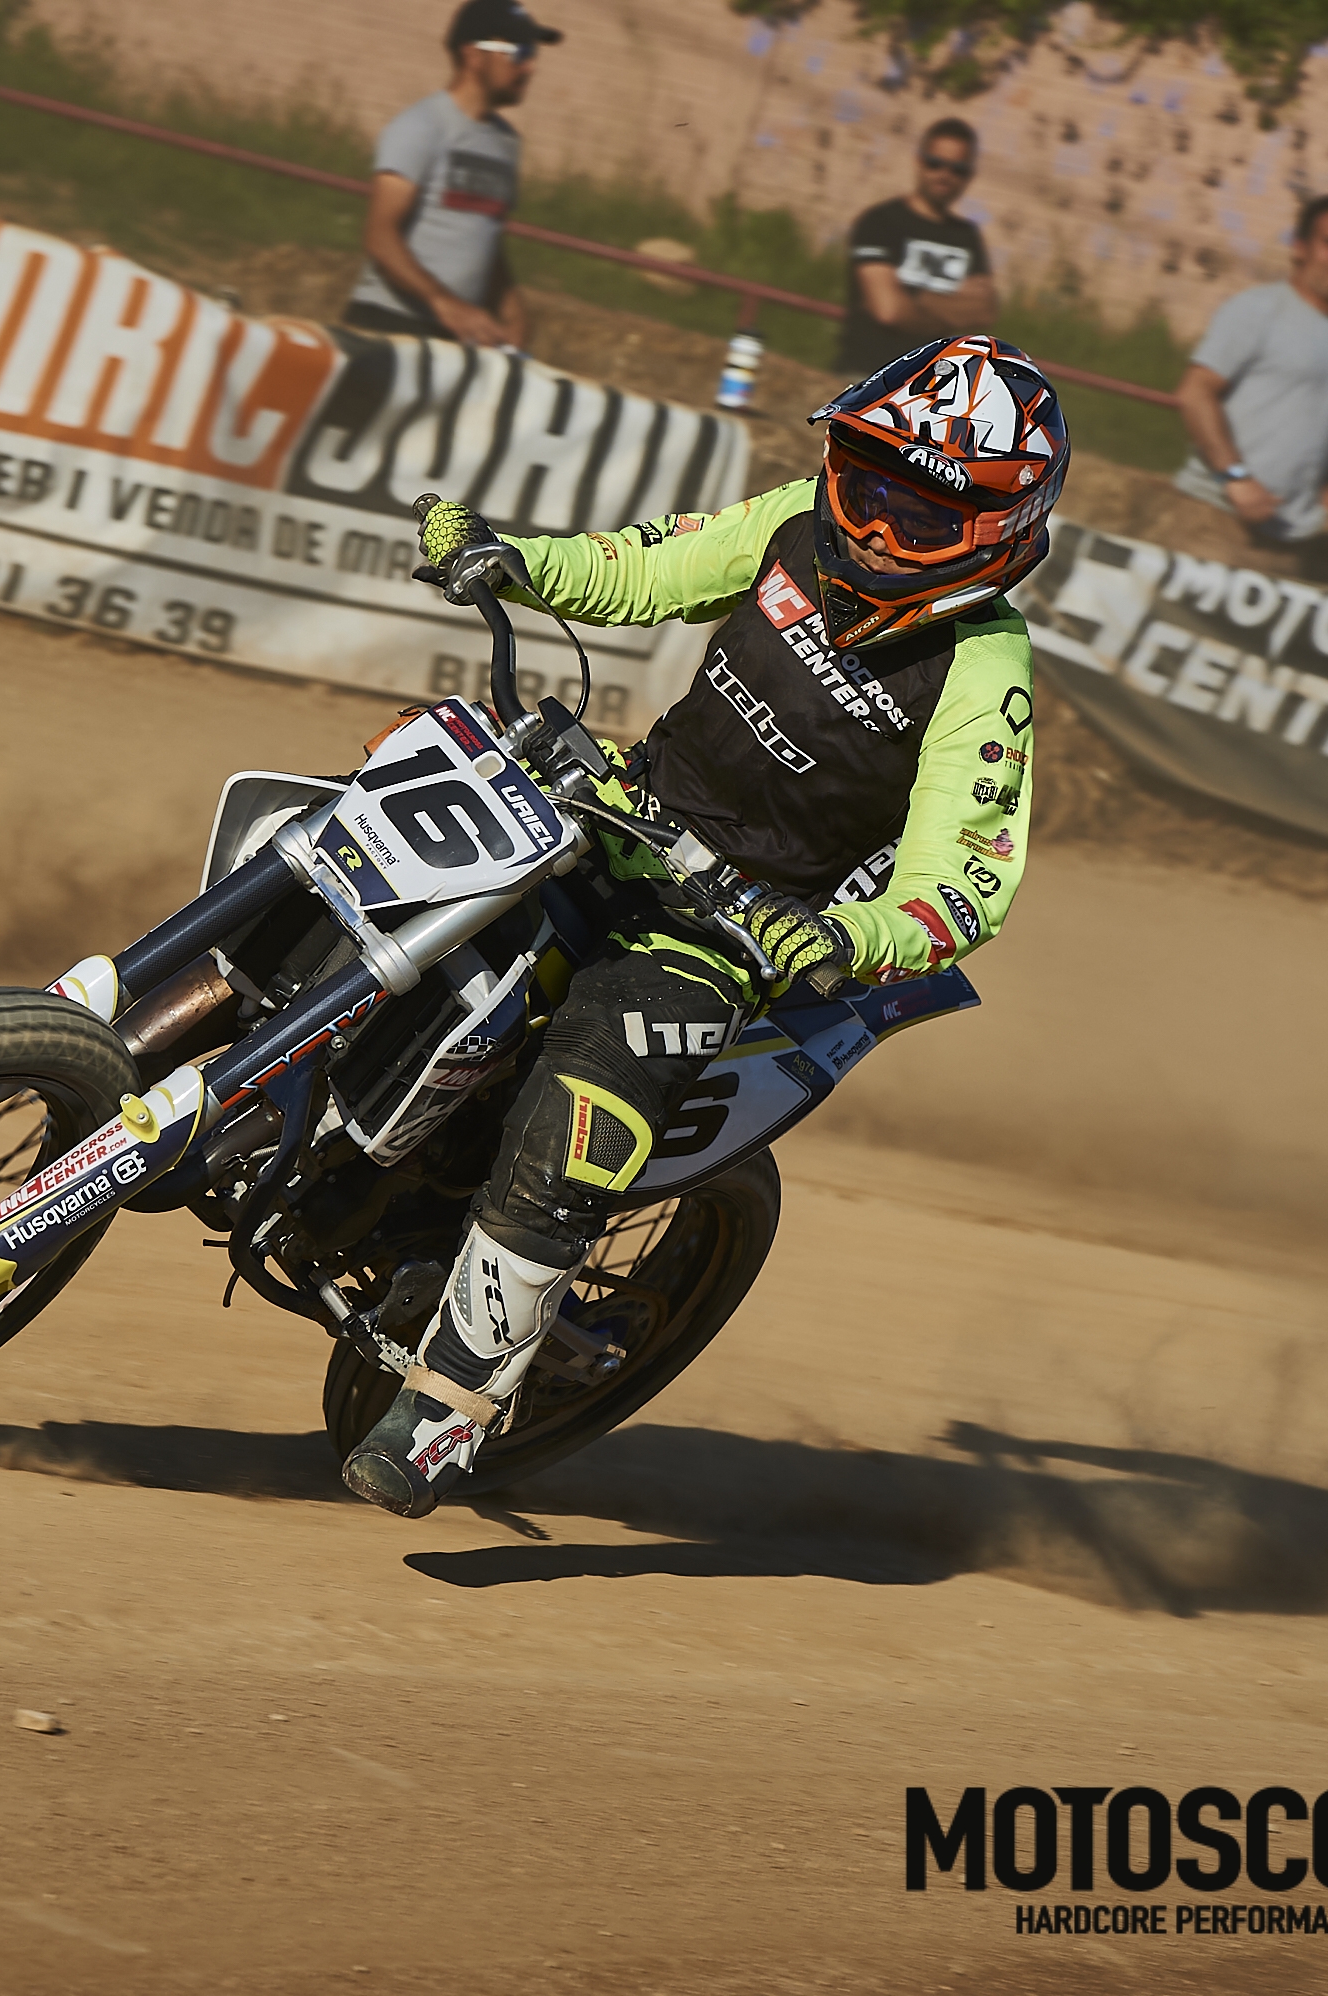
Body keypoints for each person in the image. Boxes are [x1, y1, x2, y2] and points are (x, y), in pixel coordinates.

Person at [340, 334, 1065, 1518]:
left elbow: (964, 883)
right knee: (364, 833)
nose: (881, 529)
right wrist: (510, 558)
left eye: (924, 512)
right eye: (871, 482)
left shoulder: (983, 669)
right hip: (604, 813)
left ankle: (449, 1406)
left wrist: (847, 941)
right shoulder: (795, 527)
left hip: (725, 932)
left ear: (997, 531)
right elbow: (646, 569)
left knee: (583, 1107)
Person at [342, 1, 561, 347]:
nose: (530, 67)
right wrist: (444, 302)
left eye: (532, 54)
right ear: (473, 55)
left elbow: (482, 236)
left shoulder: (506, 143)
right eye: (519, 53)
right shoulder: (421, 126)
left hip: (454, 339)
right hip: (387, 326)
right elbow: (379, 237)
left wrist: (513, 312)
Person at [1173, 194, 1328, 543]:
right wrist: (1235, 478)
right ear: (1300, 247)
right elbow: (1195, 393)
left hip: (1290, 534)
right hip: (1213, 514)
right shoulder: (1258, 310)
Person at [835, 117, 998, 374]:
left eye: (958, 169)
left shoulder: (967, 236)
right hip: (867, 378)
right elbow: (888, 311)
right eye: (935, 163)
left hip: (929, 386)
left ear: (969, 175)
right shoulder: (881, 222)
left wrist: (916, 301)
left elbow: (983, 312)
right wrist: (949, 306)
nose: (945, 175)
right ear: (919, 162)